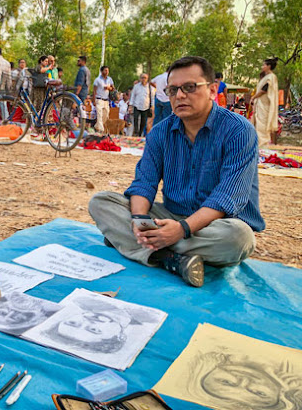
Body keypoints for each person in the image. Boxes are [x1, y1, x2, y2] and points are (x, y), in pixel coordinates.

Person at [89, 56, 263, 288]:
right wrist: (140, 220)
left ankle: (133, 243)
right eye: (172, 90)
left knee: (240, 238)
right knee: (101, 202)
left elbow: (228, 197)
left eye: (189, 88)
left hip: (219, 224)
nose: (179, 96)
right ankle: (169, 259)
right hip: (170, 217)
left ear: (212, 90)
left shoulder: (239, 131)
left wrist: (182, 230)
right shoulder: (160, 133)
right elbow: (144, 183)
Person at [251, 58, 279, 147]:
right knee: (258, 124)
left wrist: (254, 97)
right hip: (260, 104)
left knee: (262, 125)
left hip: (265, 105)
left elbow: (265, 90)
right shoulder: (265, 77)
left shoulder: (271, 77)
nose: (262, 67)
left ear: (269, 66)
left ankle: (263, 144)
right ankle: (258, 144)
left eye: (264, 65)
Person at [92, 65, 114, 134]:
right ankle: (101, 130)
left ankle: (96, 126)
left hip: (106, 100)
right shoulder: (97, 80)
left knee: (106, 115)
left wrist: (109, 88)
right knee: (99, 114)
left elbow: (113, 88)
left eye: (108, 70)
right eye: (105, 70)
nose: (107, 72)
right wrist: (94, 99)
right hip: (99, 99)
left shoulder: (109, 79)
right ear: (102, 71)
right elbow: (94, 90)